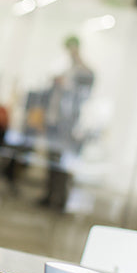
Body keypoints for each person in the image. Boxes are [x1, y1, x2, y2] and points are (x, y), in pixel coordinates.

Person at [39, 35, 95, 209]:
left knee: (63, 165)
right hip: (54, 122)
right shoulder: (65, 67)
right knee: (52, 162)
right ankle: (50, 196)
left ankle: (60, 199)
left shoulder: (82, 70)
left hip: (67, 125)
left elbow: (88, 80)